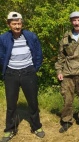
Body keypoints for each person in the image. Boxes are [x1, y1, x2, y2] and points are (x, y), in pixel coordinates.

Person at [0, 12, 45, 142]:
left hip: (28, 73)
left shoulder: (30, 36)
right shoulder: (3, 38)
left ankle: (36, 127)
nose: (17, 26)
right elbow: (1, 57)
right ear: (9, 24)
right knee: (11, 104)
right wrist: (7, 69)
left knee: (33, 102)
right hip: (11, 74)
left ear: (22, 24)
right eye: (14, 24)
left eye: (19, 23)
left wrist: (33, 68)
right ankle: (10, 129)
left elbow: (38, 54)